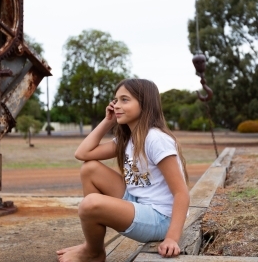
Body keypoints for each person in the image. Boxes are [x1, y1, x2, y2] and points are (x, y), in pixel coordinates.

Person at [56, 78, 190, 262]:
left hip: (161, 218)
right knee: (90, 169)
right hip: (140, 203)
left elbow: (181, 192)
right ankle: (94, 245)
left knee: (90, 204)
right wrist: (107, 121)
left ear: (145, 104)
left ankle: (93, 253)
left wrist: (172, 238)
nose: (116, 105)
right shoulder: (128, 139)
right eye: (116, 100)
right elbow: (83, 153)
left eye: (124, 100)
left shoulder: (156, 139)